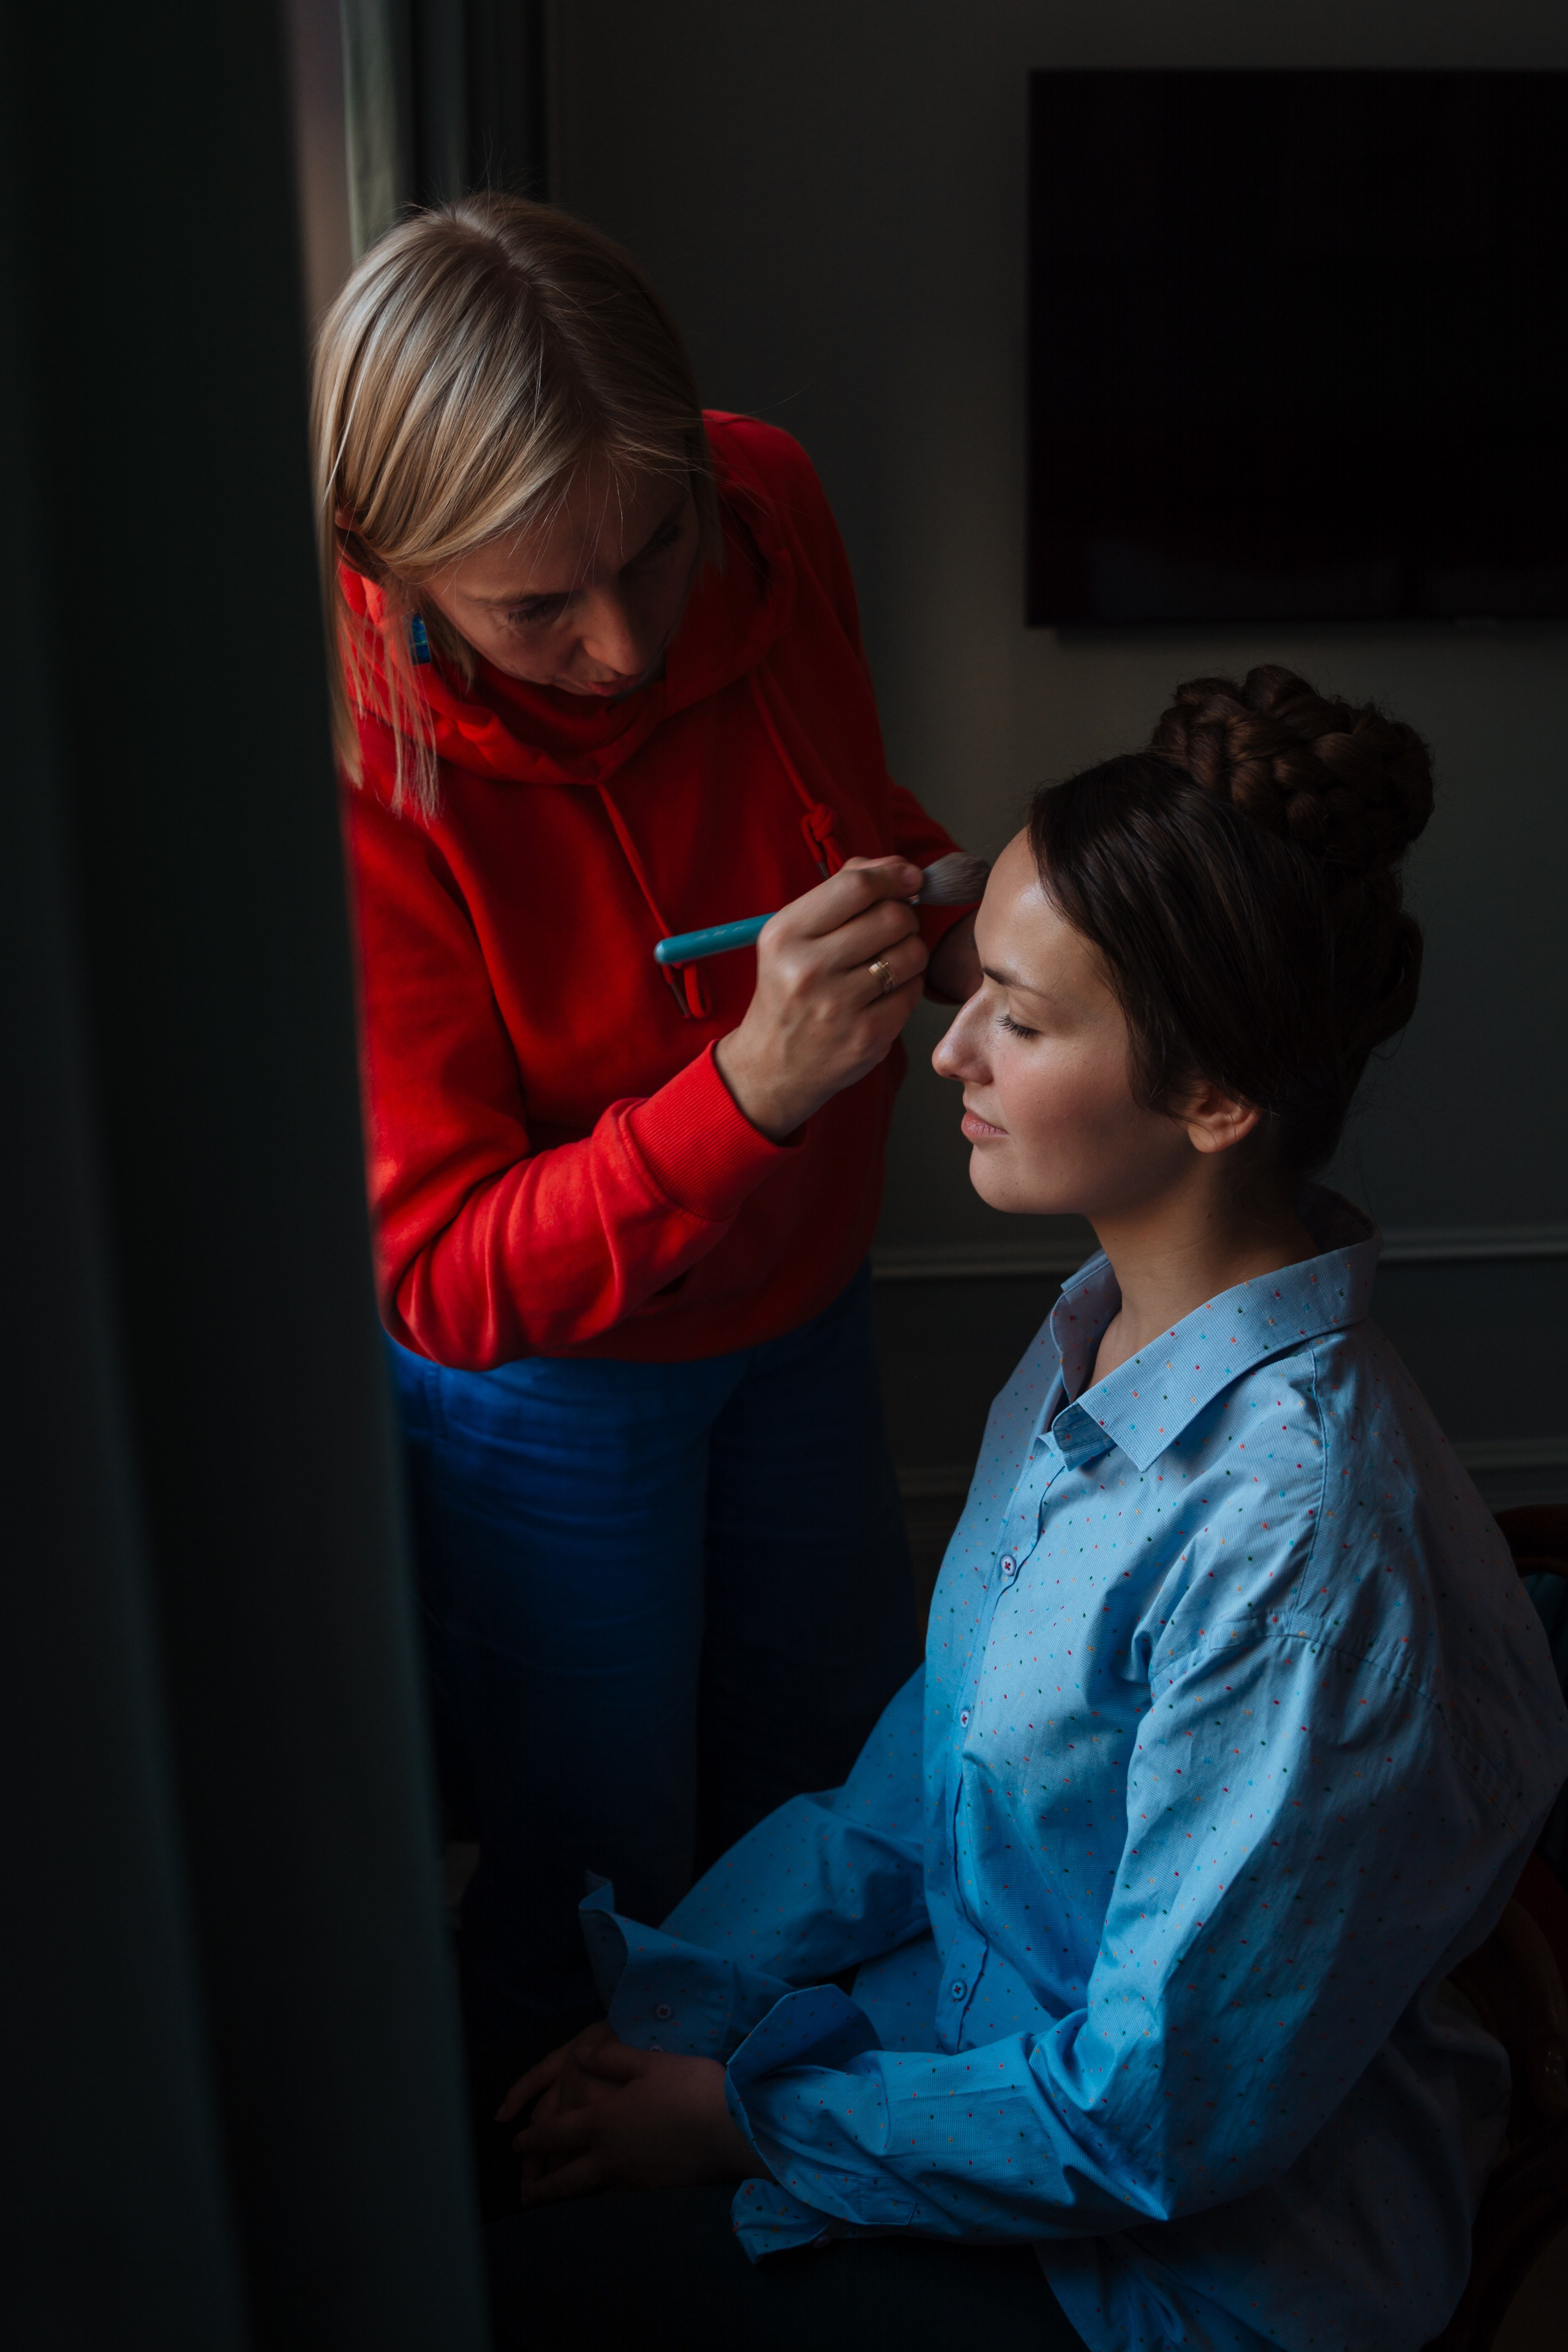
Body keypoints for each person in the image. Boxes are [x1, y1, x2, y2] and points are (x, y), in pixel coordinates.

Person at [484, 668, 1568, 2352]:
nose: (947, 1050)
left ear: (1216, 1101)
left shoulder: (1299, 1545)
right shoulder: (1098, 1334)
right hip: (986, 2076)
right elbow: (937, 1771)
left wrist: (743, 2119)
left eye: (1020, 1014)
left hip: (1167, 2269)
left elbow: (1152, 2119)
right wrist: (683, 2003)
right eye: (972, 983)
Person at [311, 195, 981, 2038]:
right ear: (390, 562)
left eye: (654, 551)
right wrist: (747, 1093)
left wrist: (943, 906)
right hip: (558, 1388)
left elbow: (842, 809)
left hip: (805, 1314)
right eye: (539, 606)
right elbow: (442, 1278)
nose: (620, 643)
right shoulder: (358, 773)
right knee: (588, 1860)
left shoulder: (769, 496)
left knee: (829, 1798)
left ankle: (779, 2148)